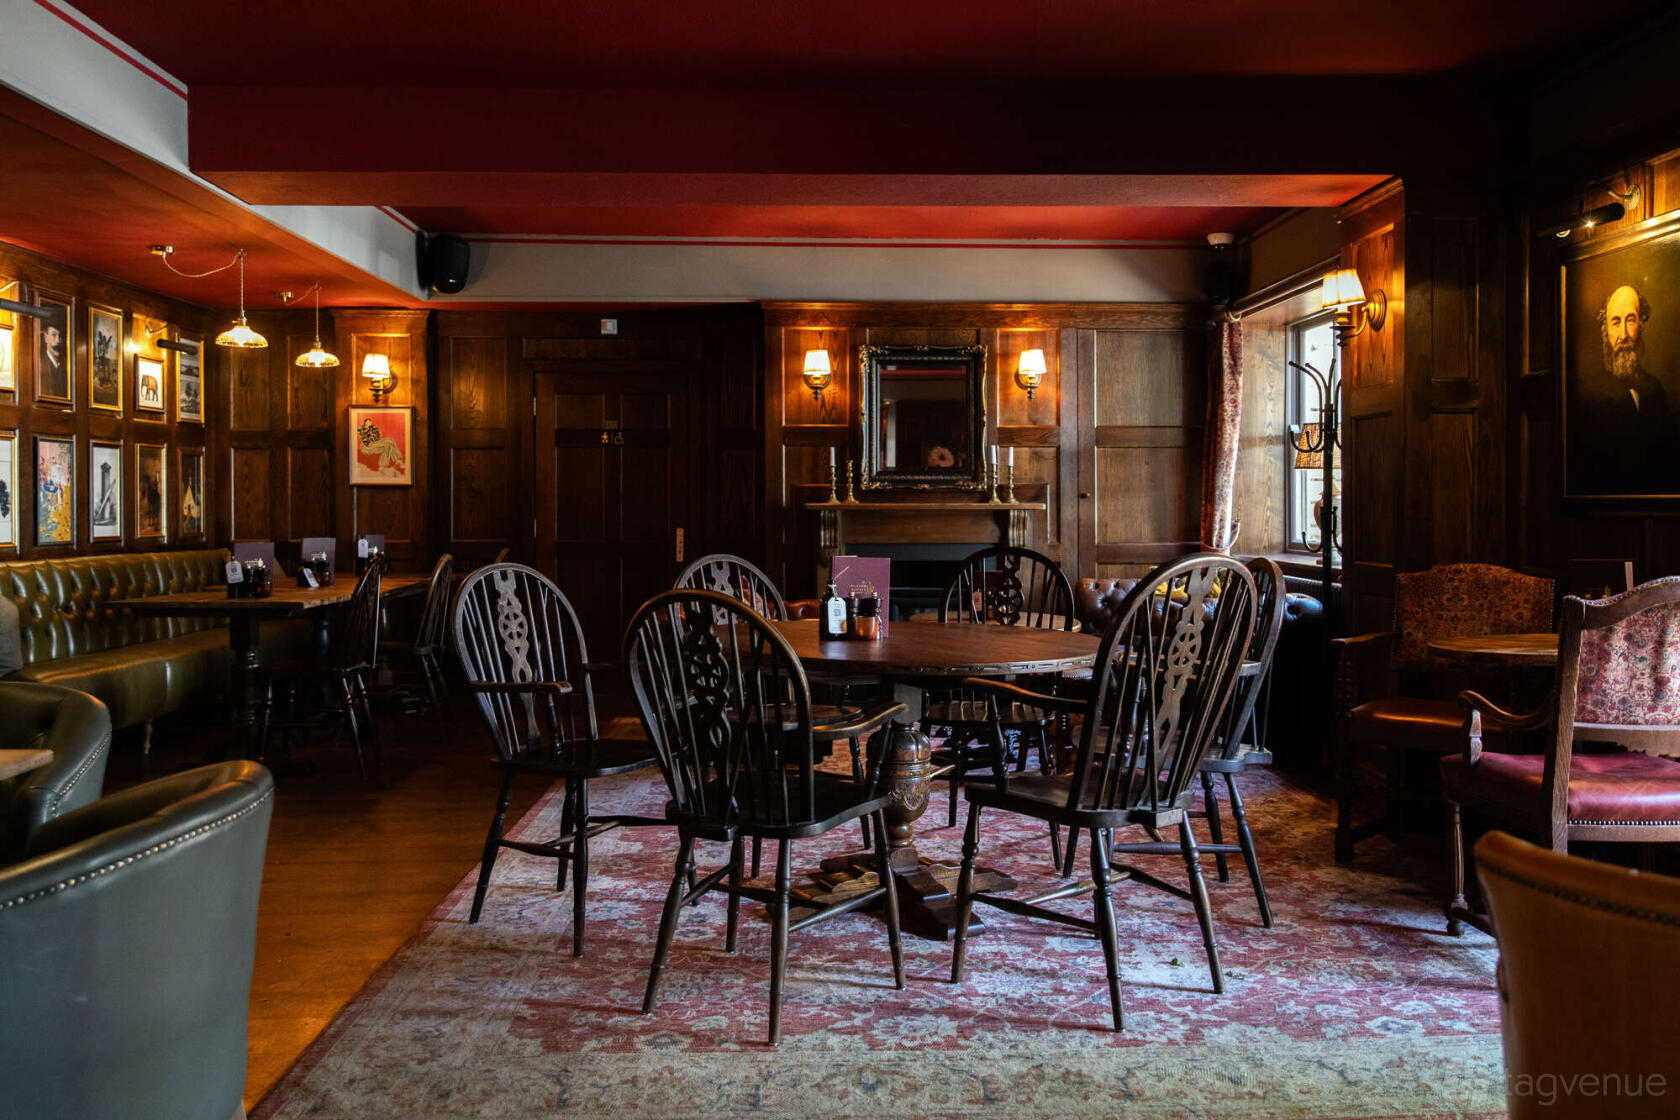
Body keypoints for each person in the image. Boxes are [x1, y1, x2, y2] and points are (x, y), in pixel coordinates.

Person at [1569, 284, 1680, 496]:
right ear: (1605, 332)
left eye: (1630, 320)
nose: (1623, 334)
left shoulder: (1654, 388)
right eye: (1615, 322)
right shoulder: (1590, 393)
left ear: (1640, 324)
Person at [37, 320, 67, 399]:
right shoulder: (39, 365)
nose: (58, 341)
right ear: (46, 338)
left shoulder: (67, 366)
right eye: (54, 335)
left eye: (60, 336)